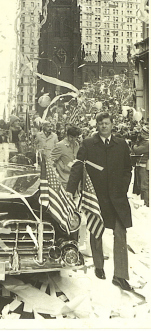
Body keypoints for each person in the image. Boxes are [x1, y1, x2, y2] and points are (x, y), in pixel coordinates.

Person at [66, 111, 133, 291]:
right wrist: (69, 191)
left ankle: (120, 275)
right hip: (96, 197)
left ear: (112, 125)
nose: (104, 126)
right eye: (101, 123)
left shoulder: (121, 145)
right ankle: (99, 266)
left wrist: (123, 186)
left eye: (107, 123)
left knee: (120, 233)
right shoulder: (88, 144)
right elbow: (77, 168)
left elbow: (128, 168)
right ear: (97, 125)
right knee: (96, 232)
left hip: (117, 198)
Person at [132, 125, 149, 207]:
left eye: (142, 133)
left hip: (144, 166)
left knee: (144, 185)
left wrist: (135, 145)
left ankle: (147, 203)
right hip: (140, 165)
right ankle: (144, 201)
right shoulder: (144, 142)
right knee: (140, 185)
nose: (140, 134)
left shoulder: (147, 143)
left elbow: (137, 150)